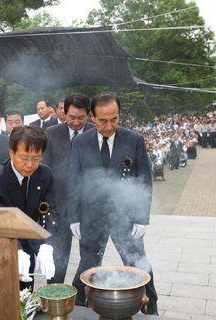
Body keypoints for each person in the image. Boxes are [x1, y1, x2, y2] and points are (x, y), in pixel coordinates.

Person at [67, 92, 158, 314]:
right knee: (87, 266)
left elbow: (144, 180)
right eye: (102, 120)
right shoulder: (80, 142)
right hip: (91, 215)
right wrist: (74, 217)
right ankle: (80, 310)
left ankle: (151, 309)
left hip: (125, 216)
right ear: (92, 116)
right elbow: (74, 181)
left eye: (114, 119)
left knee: (139, 264)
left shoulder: (134, 140)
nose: (109, 126)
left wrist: (141, 218)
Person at [0, 125, 58, 290]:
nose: (30, 164)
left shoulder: (45, 174)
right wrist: (17, 250)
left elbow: (50, 210)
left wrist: (47, 245)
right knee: (3, 291)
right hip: (1, 244)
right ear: (11, 153)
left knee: (25, 291)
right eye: (24, 157)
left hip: (29, 241)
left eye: (36, 158)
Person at [43, 93, 95, 284]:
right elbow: (45, 171)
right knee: (58, 258)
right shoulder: (51, 132)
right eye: (71, 117)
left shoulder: (96, 132)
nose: (75, 122)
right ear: (64, 112)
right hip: (60, 208)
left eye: (81, 118)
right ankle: (55, 297)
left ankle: (83, 298)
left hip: (88, 207)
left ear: (88, 114)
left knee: (90, 258)